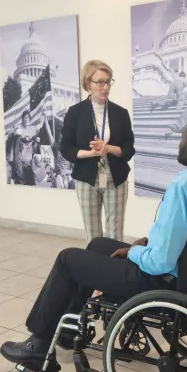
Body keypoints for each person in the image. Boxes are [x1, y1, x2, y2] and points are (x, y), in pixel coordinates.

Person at [0, 119, 187, 365]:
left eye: (182, 139)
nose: (179, 144)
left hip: (155, 280)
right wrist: (148, 242)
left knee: (67, 259)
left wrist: (134, 251)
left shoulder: (183, 186)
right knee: (97, 244)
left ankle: (38, 343)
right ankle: (68, 328)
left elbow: (160, 261)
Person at [61, 60, 135, 242]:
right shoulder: (75, 113)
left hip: (115, 178)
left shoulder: (121, 113)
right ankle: (95, 268)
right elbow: (66, 148)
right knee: (92, 234)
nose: (105, 87)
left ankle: (114, 269)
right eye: (100, 82)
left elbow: (129, 149)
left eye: (108, 81)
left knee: (115, 233)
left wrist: (107, 148)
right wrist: (90, 154)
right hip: (86, 178)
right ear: (88, 84)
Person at [11, 109, 53, 185]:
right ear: (22, 119)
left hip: (29, 161)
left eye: (27, 118)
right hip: (19, 160)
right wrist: (17, 133)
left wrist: (44, 115)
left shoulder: (32, 129)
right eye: (24, 117)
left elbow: (40, 125)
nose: (26, 119)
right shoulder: (19, 128)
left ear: (29, 119)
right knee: (22, 182)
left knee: (32, 180)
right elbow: (14, 133)